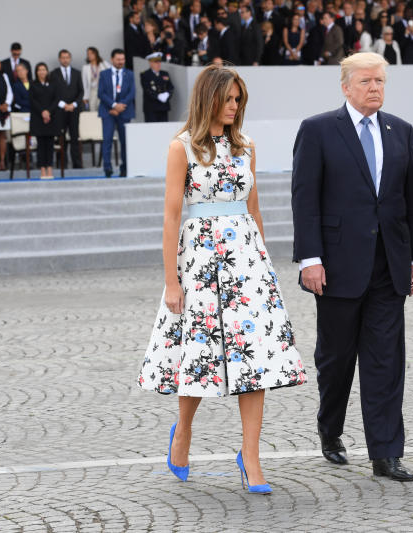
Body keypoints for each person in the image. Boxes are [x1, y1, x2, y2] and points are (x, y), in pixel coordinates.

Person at [138, 65, 305, 495]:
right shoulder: (182, 148)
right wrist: (171, 281)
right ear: (207, 98)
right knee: (200, 352)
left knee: (255, 359)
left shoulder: (246, 146)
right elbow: (171, 216)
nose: (234, 106)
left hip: (247, 262)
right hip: (199, 260)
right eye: (227, 99)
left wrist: (265, 265)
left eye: (238, 100)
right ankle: (183, 432)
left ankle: (250, 456)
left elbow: (254, 209)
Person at [291, 52, 413, 482]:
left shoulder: (401, 130)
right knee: (336, 360)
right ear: (346, 87)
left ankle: (385, 454)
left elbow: (411, 201)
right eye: (366, 81)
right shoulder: (317, 130)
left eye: (380, 81)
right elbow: (304, 198)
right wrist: (310, 259)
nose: (374, 88)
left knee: (386, 360)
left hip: (389, 265)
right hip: (336, 267)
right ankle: (330, 429)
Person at [98, 49, 135, 177]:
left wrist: (120, 106)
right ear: (112, 59)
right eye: (118, 59)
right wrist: (114, 105)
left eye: (122, 59)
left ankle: (124, 168)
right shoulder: (104, 74)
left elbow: (132, 93)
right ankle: (107, 168)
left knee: (124, 141)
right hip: (108, 111)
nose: (121, 62)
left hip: (124, 111)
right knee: (107, 140)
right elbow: (101, 93)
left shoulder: (129, 74)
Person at [50, 49, 83, 169]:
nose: (65, 60)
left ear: (70, 58)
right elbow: (52, 92)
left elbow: (81, 91)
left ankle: (77, 164)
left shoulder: (77, 73)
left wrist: (74, 104)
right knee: (61, 137)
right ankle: (62, 164)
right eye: (63, 58)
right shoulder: (54, 74)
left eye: (67, 57)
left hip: (74, 110)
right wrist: (63, 104)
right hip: (60, 110)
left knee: (75, 137)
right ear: (59, 59)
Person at [30, 63, 59, 180]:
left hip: (51, 118)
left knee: (50, 144)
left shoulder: (53, 84)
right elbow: (32, 100)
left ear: (47, 71)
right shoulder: (33, 84)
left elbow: (56, 99)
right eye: (39, 70)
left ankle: (50, 167)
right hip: (38, 118)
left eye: (44, 69)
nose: (42, 72)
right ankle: (42, 168)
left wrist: (48, 112)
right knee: (41, 144)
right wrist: (42, 112)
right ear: (36, 72)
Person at [141, 52, 173, 122]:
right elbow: (147, 89)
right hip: (151, 107)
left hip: (163, 107)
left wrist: (167, 94)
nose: (158, 64)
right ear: (150, 63)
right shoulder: (145, 74)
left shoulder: (165, 73)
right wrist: (158, 96)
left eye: (159, 62)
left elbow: (170, 87)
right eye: (156, 62)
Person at [81, 47, 111, 112]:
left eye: (91, 53)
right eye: (88, 54)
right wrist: (85, 97)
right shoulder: (86, 67)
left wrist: (102, 61)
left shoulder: (103, 64)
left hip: (103, 91)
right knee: (92, 109)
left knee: (103, 109)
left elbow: (111, 71)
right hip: (92, 91)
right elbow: (84, 83)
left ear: (96, 54)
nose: (89, 55)